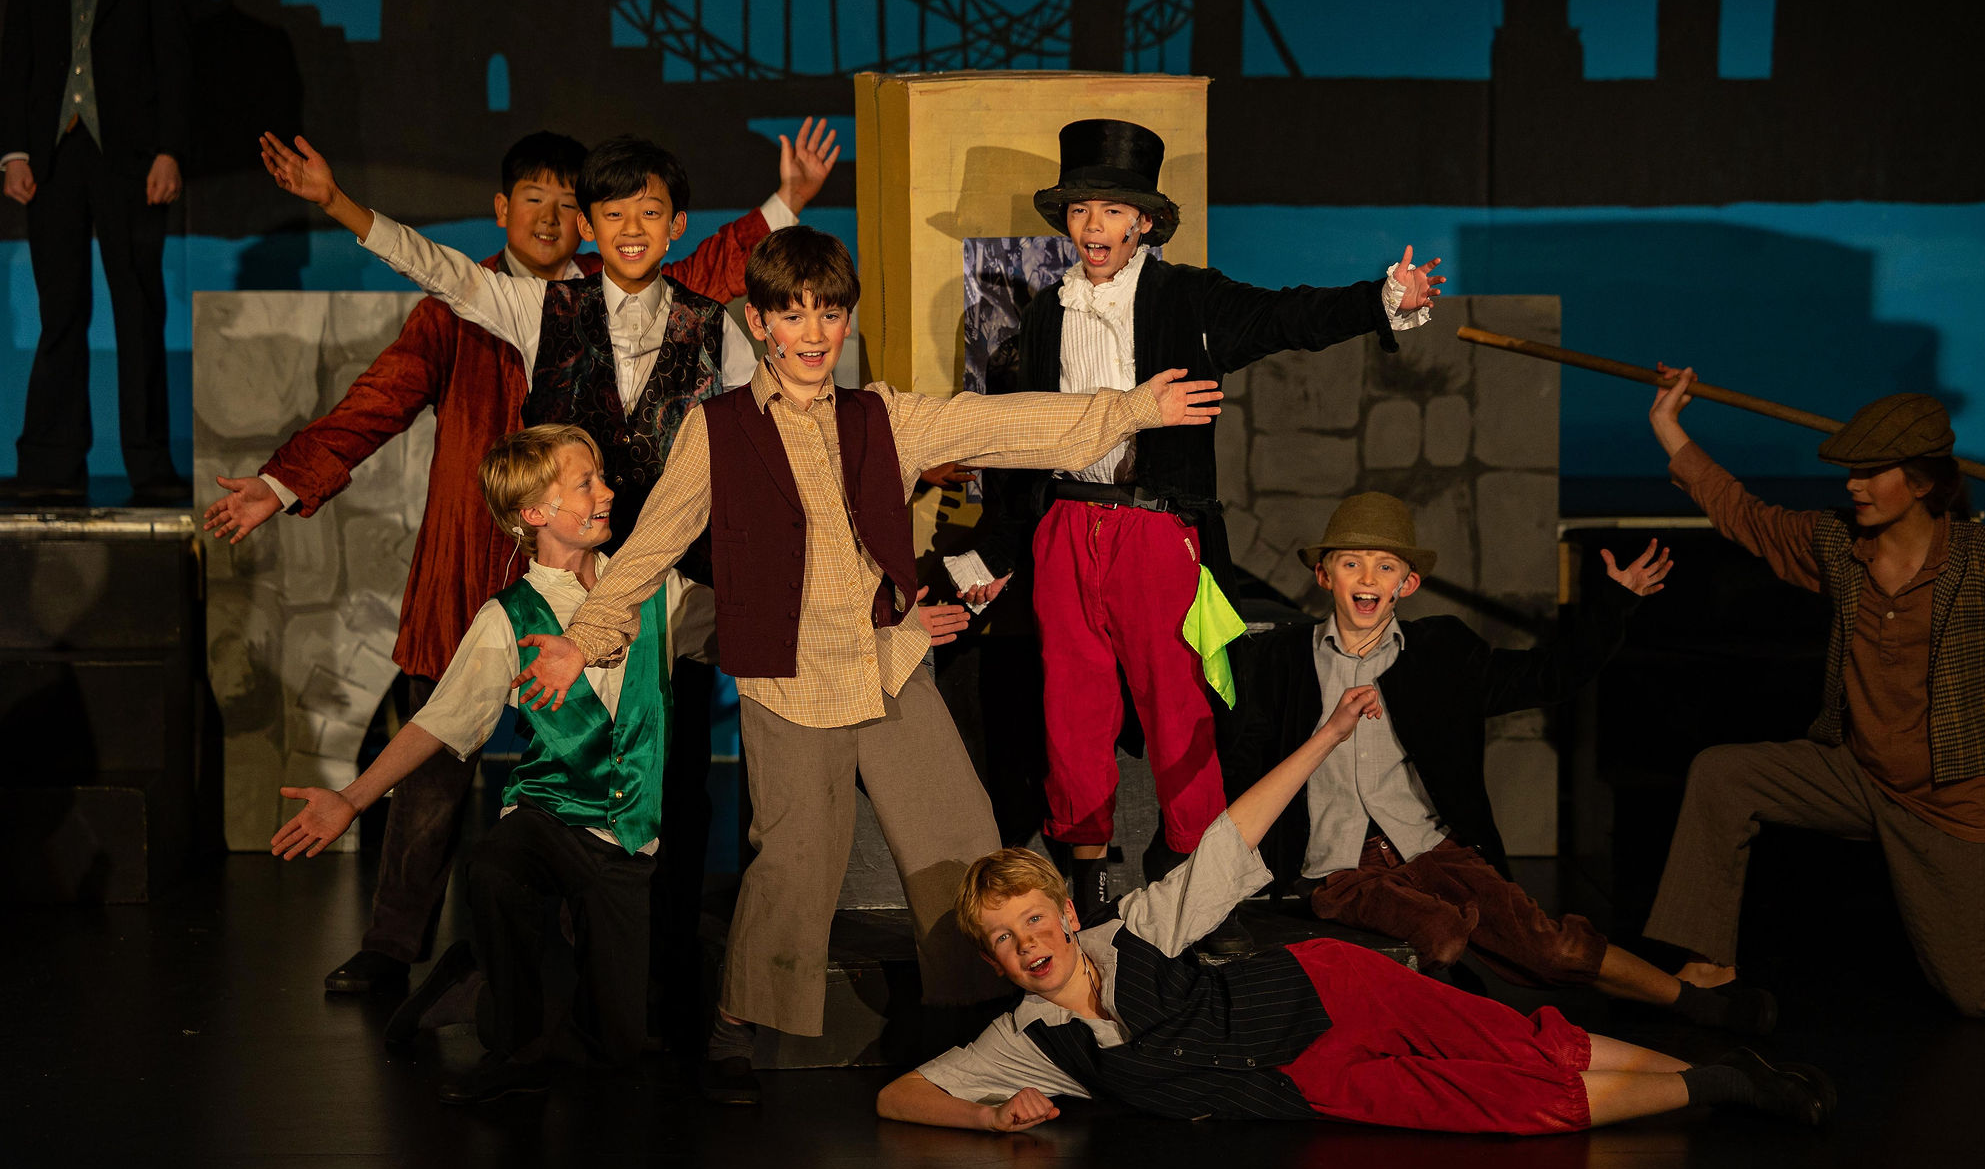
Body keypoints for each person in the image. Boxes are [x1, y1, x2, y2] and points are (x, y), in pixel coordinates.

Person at [506, 226, 1228, 1105]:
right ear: (760, 321)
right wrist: (587, 636)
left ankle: (976, 1018)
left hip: (888, 662)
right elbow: (652, 544)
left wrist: (1132, 408)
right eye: (791, 313)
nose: (812, 332)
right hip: (789, 677)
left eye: (830, 313)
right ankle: (739, 1023)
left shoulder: (880, 416)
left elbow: (999, 423)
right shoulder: (718, 429)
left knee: (959, 844)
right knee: (796, 861)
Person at [208, 123, 834, 995]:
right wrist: (281, 482)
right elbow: (383, 380)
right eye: (534, 198)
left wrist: (789, 202)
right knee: (436, 754)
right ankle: (395, 943)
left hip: (612, 573)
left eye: (569, 203)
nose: (554, 216)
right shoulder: (487, 304)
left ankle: (615, 957)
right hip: (478, 562)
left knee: (627, 758)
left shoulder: (649, 297)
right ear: (502, 208)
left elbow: (717, 267)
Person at [878, 688, 1835, 1135]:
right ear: (997, 961)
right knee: (1514, 1107)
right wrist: (995, 1113)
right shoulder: (1030, 1038)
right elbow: (901, 1096)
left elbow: (1233, 837)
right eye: (1003, 941)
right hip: (1315, 1085)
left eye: (1032, 920)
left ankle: (1717, 1070)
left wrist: (1330, 734)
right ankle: (1718, 1083)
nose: (1026, 945)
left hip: (1333, 990)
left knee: (1526, 1042)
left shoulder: (1131, 930)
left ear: (1058, 907)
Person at [943, 118, 1445, 930]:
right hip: (1067, 526)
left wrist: (1380, 299)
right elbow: (1026, 446)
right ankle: (1090, 888)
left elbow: (1286, 317)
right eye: (1080, 212)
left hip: (1156, 532)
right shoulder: (1044, 317)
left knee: (1181, 713)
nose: (1093, 228)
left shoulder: (1187, 299)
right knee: (1072, 716)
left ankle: (1196, 892)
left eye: (1111, 212)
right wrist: (994, 551)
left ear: (1143, 221)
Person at [1222, 491, 1777, 1033]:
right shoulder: (1279, 660)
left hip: (1428, 845)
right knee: (1438, 934)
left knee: (1551, 947)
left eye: (1385, 566)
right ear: (1325, 576)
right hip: (1338, 867)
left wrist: (1613, 605)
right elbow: (1242, 760)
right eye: (1351, 563)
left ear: (1406, 584)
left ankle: (1693, 1003)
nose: (1368, 578)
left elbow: (1549, 675)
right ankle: (1474, 1018)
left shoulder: (1441, 654)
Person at [266, 425, 698, 1104]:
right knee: (496, 864)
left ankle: (478, 980)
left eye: (602, 478)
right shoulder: (509, 618)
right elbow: (439, 721)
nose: (608, 492)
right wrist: (352, 798)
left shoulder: (656, 588)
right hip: (549, 811)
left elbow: (739, 623)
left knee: (615, 1051)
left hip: (629, 834)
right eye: (586, 483)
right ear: (534, 512)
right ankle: (514, 1043)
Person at [1642, 368, 1985, 1017]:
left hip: (1955, 803)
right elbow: (1746, 517)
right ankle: (1711, 968)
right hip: (1856, 776)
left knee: (1982, 990)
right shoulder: (1835, 544)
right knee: (1723, 774)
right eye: (1850, 470)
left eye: (1871, 471)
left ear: (1920, 482)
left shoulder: (1982, 559)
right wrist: (1669, 427)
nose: (1853, 484)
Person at [0, 0, 190, 504]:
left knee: (137, 307)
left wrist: (169, 150)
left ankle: (149, 461)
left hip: (130, 160)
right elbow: (16, 60)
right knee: (61, 308)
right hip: (53, 157)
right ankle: (50, 460)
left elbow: (174, 58)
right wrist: (13, 153)